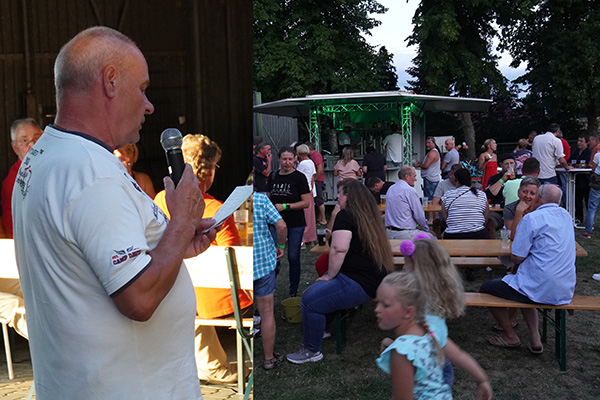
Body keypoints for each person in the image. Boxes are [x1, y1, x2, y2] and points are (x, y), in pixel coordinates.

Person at [12, 27, 216, 399]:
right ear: (110, 81)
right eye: (142, 88)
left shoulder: (42, 156)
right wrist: (182, 221)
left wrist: (172, 245)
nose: (149, 105)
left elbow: (78, 258)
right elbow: (139, 299)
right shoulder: (91, 171)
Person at [154, 133, 252, 383]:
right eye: (215, 166)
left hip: (174, 291)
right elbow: (234, 261)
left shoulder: (159, 200)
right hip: (217, 299)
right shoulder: (215, 209)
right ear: (208, 170)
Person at [286, 180, 394, 364]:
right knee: (321, 293)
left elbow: (338, 249)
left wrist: (330, 275)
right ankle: (322, 329)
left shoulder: (346, 215)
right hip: (374, 280)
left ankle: (312, 350)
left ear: (349, 197)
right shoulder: (369, 214)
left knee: (310, 299)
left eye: (341, 193)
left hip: (360, 281)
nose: (337, 196)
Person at [379, 241, 493, 399]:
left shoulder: (418, 314)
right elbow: (458, 355)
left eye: (406, 264)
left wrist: (391, 345)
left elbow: (411, 349)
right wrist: (482, 380)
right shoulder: (437, 297)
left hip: (429, 367)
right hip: (439, 365)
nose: (404, 268)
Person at [480, 184, 576, 353]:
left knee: (487, 288)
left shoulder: (532, 218)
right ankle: (535, 338)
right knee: (524, 284)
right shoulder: (566, 216)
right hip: (564, 288)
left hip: (540, 285)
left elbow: (517, 257)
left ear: (538, 198)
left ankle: (510, 335)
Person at [268, 146, 311, 297]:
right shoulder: (273, 176)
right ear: (279, 159)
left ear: (295, 160)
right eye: (284, 159)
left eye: (290, 159)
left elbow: (306, 202)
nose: (287, 162)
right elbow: (269, 197)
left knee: (293, 257)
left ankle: (293, 291)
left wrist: (286, 206)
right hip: (275, 222)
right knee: (273, 256)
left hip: (295, 222)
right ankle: (269, 288)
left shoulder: (299, 177)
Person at [253, 191, 287, 369]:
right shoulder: (260, 199)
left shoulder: (228, 202)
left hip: (238, 268)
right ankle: (268, 359)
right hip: (263, 264)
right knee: (266, 313)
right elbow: (281, 226)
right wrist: (280, 246)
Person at [1, 118, 43, 238]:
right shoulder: (14, 181)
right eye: (24, 141)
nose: (33, 145)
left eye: (37, 138)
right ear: (15, 147)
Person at [384, 166, 433, 240]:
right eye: (414, 176)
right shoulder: (409, 190)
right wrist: (426, 229)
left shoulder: (391, 188)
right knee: (433, 238)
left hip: (389, 232)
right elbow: (419, 215)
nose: (416, 179)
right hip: (405, 233)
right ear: (407, 176)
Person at [441, 168, 490, 239]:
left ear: (456, 180)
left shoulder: (448, 195)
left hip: (453, 234)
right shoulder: (481, 194)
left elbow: (445, 217)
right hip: (478, 233)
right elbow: (486, 216)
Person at [485, 154, 517, 237]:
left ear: (515, 164)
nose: (509, 166)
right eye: (506, 164)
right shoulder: (494, 178)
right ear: (501, 165)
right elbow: (488, 195)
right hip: (498, 212)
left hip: (515, 212)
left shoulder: (519, 178)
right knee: (490, 222)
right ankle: (491, 244)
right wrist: (502, 180)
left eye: (511, 163)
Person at [431, 164, 462, 238]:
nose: (458, 178)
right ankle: (438, 241)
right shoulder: (442, 184)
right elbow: (435, 201)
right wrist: (436, 215)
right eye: (456, 176)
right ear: (450, 175)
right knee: (436, 222)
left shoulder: (463, 184)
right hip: (445, 214)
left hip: (460, 213)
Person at [296, 144, 317, 245]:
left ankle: (303, 239)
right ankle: (310, 238)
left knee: (303, 215)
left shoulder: (302, 164)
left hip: (303, 190)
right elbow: (312, 177)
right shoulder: (311, 162)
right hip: (310, 190)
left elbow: (297, 176)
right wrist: (312, 189)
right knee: (310, 216)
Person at [568, 134, 592, 224]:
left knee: (587, 200)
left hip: (586, 179)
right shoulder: (575, 151)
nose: (579, 143)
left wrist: (577, 165)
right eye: (578, 141)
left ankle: (590, 220)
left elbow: (587, 163)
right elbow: (569, 161)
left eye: (581, 141)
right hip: (576, 179)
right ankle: (578, 218)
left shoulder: (589, 151)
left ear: (586, 143)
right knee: (577, 199)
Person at [413, 136, 441, 201]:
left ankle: (431, 208)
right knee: (431, 198)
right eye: (426, 143)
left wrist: (418, 165)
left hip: (430, 180)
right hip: (431, 179)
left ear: (434, 143)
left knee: (429, 199)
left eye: (429, 143)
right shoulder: (433, 152)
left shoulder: (432, 153)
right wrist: (421, 162)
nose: (427, 144)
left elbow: (426, 166)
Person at [307, 142, 327, 225]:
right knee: (317, 200)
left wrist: (315, 178)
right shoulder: (313, 155)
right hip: (316, 179)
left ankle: (323, 219)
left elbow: (320, 169)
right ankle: (320, 217)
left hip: (318, 180)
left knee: (319, 200)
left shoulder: (316, 155)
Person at [584, 149, 600, 240]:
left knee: (592, 207)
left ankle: (588, 232)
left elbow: (593, 168)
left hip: (597, 182)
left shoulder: (598, 155)